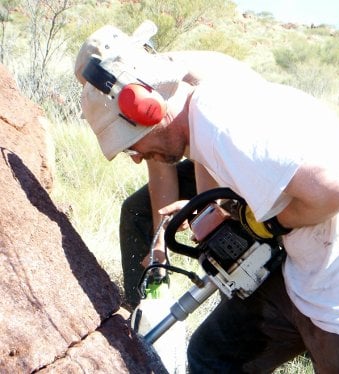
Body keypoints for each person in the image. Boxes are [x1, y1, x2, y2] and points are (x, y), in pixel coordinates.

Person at [76, 24, 339, 373]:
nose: (135, 156)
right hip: (302, 275)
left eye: (130, 144)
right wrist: (219, 211)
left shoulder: (224, 123)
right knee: (211, 356)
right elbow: (235, 180)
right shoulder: (200, 114)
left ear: (148, 111)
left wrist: (259, 222)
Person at [74, 23, 264, 309]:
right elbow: (161, 166)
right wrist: (159, 247)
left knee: (220, 239)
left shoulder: (181, 82)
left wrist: (207, 214)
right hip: (209, 154)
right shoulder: (138, 92)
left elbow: (208, 162)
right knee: (137, 212)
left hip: (256, 165)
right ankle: (143, 310)